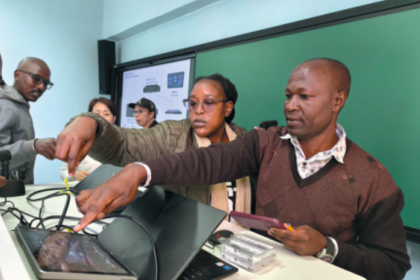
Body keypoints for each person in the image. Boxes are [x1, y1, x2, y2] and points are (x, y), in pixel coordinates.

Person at [67, 59, 410, 280]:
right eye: (288, 95)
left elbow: (393, 267)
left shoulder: (372, 178)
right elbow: (207, 162)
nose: (290, 105)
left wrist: (327, 247)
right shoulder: (265, 142)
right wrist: (138, 171)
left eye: (304, 97)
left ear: (338, 101)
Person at [56, 74, 253, 223]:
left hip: (246, 245)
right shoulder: (172, 135)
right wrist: (92, 123)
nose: (198, 110)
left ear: (227, 108)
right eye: (192, 103)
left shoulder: (248, 142)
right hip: (192, 242)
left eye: (209, 103)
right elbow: (123, 145)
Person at [0, 56, 56, 184]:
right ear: (17, 75)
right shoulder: (6, 107)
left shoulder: (19, 106)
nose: (42, 87)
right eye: (36, 79)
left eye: (46, 84)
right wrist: (33, 146)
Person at [59, 97, 117, 182]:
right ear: (89, 116)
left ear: (113, 119)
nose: (101, 117)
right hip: (83, 191)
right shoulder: (77, 141)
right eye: (97, 113)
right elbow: (63, 172)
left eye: (106, 114)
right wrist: (75, 174)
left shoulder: (119, 144)